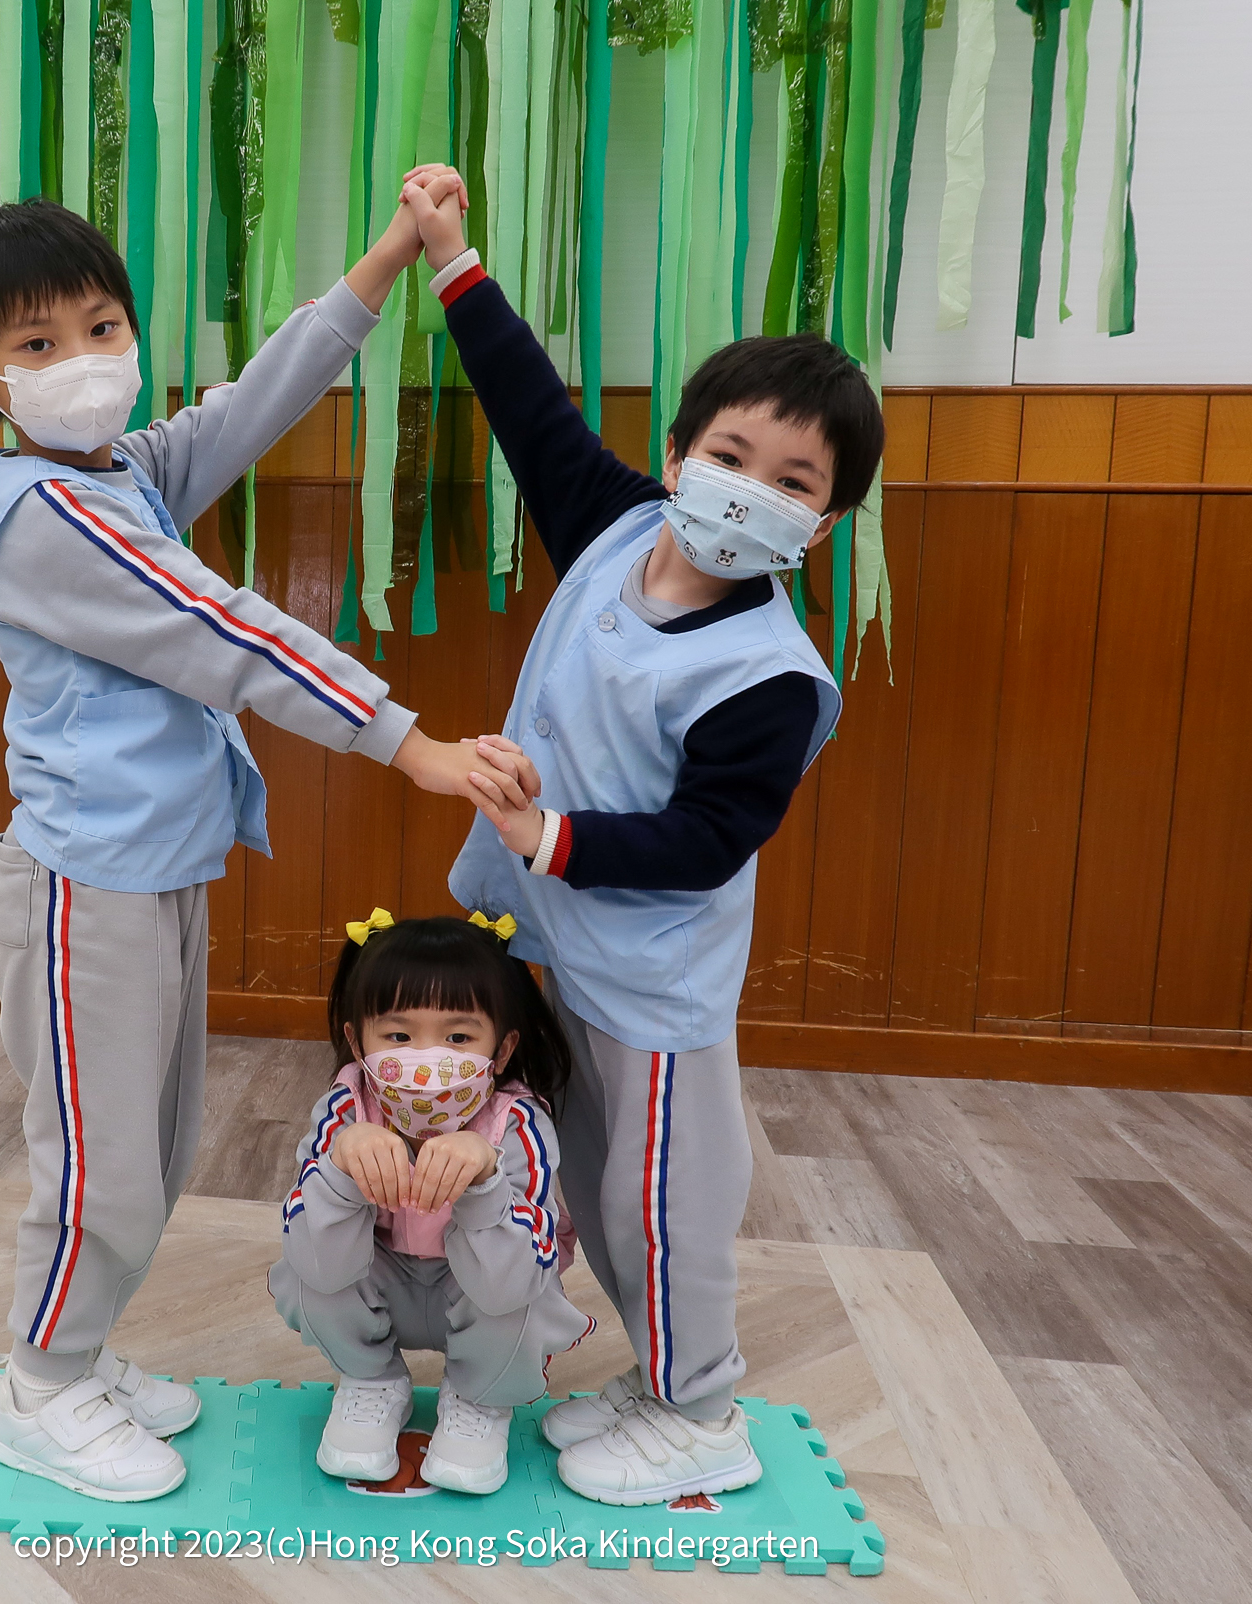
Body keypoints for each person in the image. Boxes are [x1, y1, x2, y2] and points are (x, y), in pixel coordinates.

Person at [0, 190, 534, 1503]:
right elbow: (227, 630)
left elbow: (247, 407)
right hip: (84, 888)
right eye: (38, 345)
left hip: (155, 870)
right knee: (99, 1163)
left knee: (151, 1151)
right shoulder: (47, 517)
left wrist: (387, 256)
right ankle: (41, 1385)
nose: (82, 359)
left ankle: (81, 1350)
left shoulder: (114, 475)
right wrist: (409, 743)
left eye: (101, 326)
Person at [397, 168, 885, 1507]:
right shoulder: (615, 525)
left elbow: (707, 838)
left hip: (652, 983)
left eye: (791, 481)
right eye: (728, 457)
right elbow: (528, 407)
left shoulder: (769, 674)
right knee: (591, 1179)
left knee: (662, 1202)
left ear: (823, 522)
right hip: (551, 943)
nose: (746, 490)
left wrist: (546, 832)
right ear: (677, 457)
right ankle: (657, 1376)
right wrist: (452, 257)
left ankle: (703, 1408)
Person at [269, 911, 594, 1496]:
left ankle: (479, 1399)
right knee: (303, 1271)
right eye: (398, 1037)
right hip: (379, 1279)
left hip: (480, 1292)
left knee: (523, 1298)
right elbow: (316, 1262)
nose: (428, 1060)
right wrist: (340, 1169)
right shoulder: (346, 1108)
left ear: (502, 1049)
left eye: (458, 1038)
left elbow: (513, 1282)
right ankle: (371, 1382)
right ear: (357, 1042)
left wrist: (486, 1182)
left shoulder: (517, 1123)